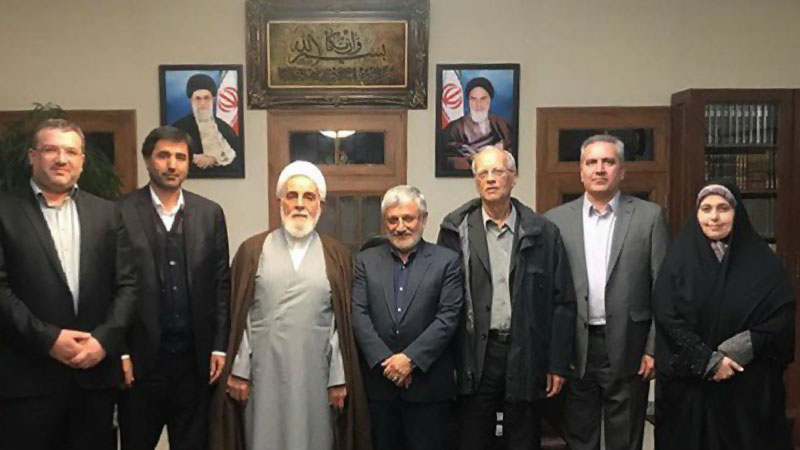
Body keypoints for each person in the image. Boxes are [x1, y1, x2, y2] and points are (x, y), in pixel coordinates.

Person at [209, 161, 371, 450]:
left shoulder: (337, 255)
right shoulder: (252, 250)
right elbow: (241, 317)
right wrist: (239, 370)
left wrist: (338, 377)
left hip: (316, 374)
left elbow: (341, 324)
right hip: (263, 372)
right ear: (280, 202)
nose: (299, 204)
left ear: (320, 205)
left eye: (308, 197)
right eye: (291, 196)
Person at [0, 119, 138, 450]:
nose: (61, 159)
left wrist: (103, 341)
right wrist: (48, 339)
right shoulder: (5, 211)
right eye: (50, 150)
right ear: (32, 156)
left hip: (94, 380)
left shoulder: (107, 214)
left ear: (82, 160)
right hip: (27, 381)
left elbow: (128, 286)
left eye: (71, 152)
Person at [437, 146, 576, 450]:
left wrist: (557, 363)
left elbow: (563, 302)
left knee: (523, 439)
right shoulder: (455, 230)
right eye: (482, 173)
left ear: (513, 178)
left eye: (498, 172)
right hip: (475, 354)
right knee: (472, 439)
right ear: (476, 181)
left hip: (525, 352)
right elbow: (443, 302)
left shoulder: (543, 233)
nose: (490, 179)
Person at [544, 134, 669, 450]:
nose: (600, 169)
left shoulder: (649, 217)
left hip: (630, 345)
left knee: (624, 439)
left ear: (622, 171)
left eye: (608, 162)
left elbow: (663, 290)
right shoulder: (555, 221)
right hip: (575, 347)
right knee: (579, 438)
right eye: (592, 162)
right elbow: (547, 293)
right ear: (581, 171)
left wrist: (654, 347)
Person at [653, 182, 794, 450]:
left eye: (723, 208)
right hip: (691, 396)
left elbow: (781, 318)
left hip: (748, 392)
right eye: (706, 209)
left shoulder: (765, 263)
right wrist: (708, 361)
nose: (714, 217)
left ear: (737, 213)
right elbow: (667, 317)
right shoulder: (677, 263)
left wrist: (739, 349)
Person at [115, 126, 231, 450]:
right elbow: (110, 286)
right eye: (163, 155)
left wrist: (219, 347)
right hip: (140, 364)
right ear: (147, 159)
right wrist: (120, 351)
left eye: (180, 157)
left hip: (195, 364)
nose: (172, 164)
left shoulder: (210, 214)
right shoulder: (119, 212)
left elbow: (221, 284)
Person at [352, 185, 463, 450]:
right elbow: (359, 314)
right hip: (380, 389)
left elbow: (448, 317)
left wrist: (410, 360)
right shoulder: (365, 261)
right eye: (393, 220)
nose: (400, 227)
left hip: (429, 389)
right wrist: (388, 363)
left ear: (423, 219)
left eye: (408, 218)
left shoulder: (446, 261)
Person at [171, 73, 241, 175]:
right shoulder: (178, 128)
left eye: (206, 98)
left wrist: (215, 160)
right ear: (191, 100)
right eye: (198, 99)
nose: (202, 104)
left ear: (213, 99)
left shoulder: (225, 129)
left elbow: (239, 162)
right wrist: (192, 159)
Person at [441, 77, 515, 171]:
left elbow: (511, 153)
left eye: (483, 99)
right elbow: (446, 158)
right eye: (473, 99)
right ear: (468, 101)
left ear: (490, 100)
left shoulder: (503, 125)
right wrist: (471, 159)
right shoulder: (453, 129)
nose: (478, 105)